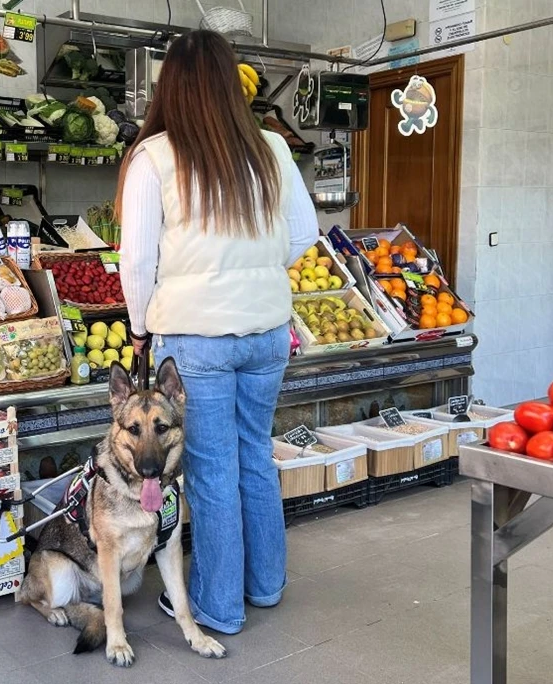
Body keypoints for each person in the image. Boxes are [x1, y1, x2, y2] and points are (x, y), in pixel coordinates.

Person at [116, 30, 319, 635]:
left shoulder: (154, 156)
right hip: (267, 331)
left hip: (196, 334)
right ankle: (266, 586)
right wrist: (255, 272)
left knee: (209, 472)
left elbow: (136, 261)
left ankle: (217, 606)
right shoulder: (271, 150)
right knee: (255, 455)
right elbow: (304, 234)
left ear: (169, 85)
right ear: (232, 84)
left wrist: (137, 327)